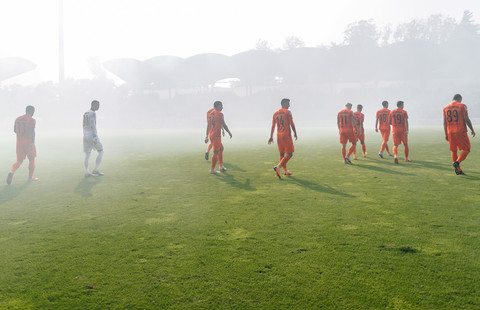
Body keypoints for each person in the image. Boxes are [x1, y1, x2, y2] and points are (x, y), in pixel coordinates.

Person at [443, 94, 476, 175]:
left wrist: (446, 134)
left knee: (454, 150)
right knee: (467, 149)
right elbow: (466, 119)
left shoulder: (445, 108)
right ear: (460, 99)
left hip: (450, 132)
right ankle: (457, 162)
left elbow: (444, 122)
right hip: (460, 131)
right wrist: (472, 129)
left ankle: (458, 170)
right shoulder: (462, 106)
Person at [6, 105, 38, 184]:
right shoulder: (31, 120)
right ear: (32, 111)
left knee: (19, 160)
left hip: (19, 143)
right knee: (31, 159)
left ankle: (11, 172)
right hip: (28, 142)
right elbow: (32, 132)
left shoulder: (17, 119)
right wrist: (32, 142)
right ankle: (30, 178)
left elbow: (14, 130)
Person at [268, 98, 298, 178]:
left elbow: (273, 126)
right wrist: (295, 132)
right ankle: (278, 167)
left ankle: (285, 171)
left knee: (282, 153)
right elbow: (291, 123)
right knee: (290, 154)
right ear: (284, 103)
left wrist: (271, 136)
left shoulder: (275, 114)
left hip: (279, 136)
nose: (289, 105)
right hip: (286, 135)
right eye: (288, 103)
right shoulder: (288, 112)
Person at [204, 101, 232, 174]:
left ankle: (221, 166)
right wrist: (229, 132)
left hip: (211, 134)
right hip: (216, 135)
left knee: (221, 148)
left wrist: (206, 136)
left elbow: (208, 125)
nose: (222, 107)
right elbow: (224, 124)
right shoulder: (219, 114)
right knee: (216, 152)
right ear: (218, 106)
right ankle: (212, 169)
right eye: (221, 106)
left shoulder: (210, 113)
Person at [83, 100, 104, 177]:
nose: (98, 107)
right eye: (97, 105)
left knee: (87, 155)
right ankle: (95, 169)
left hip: (85, 135)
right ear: (93, 105)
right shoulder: (93, 113)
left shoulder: (85, 113)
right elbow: (92, 125)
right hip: (92, 135)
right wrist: (95, 136)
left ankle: (86, 172)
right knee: (101, 151)